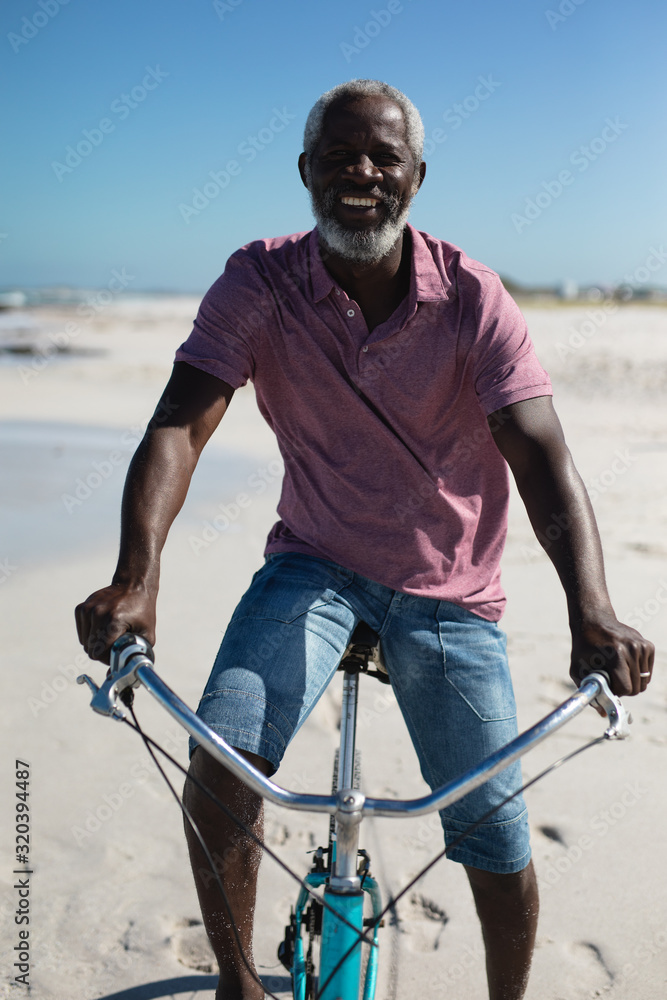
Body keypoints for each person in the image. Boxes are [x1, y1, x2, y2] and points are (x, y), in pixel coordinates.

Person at [75, 79, 654, 1000]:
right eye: (340, 154)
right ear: (306, 171)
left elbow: (539, 451)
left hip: (448, 589)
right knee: (221, 762)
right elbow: (181, 424)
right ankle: (236, 985)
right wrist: (135, 576)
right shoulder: (259, 280)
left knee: (492, 829)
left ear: (416, 177)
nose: (362, 172)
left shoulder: (474, 299)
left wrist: (594, 611)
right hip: (312, 565)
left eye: (384, 156)